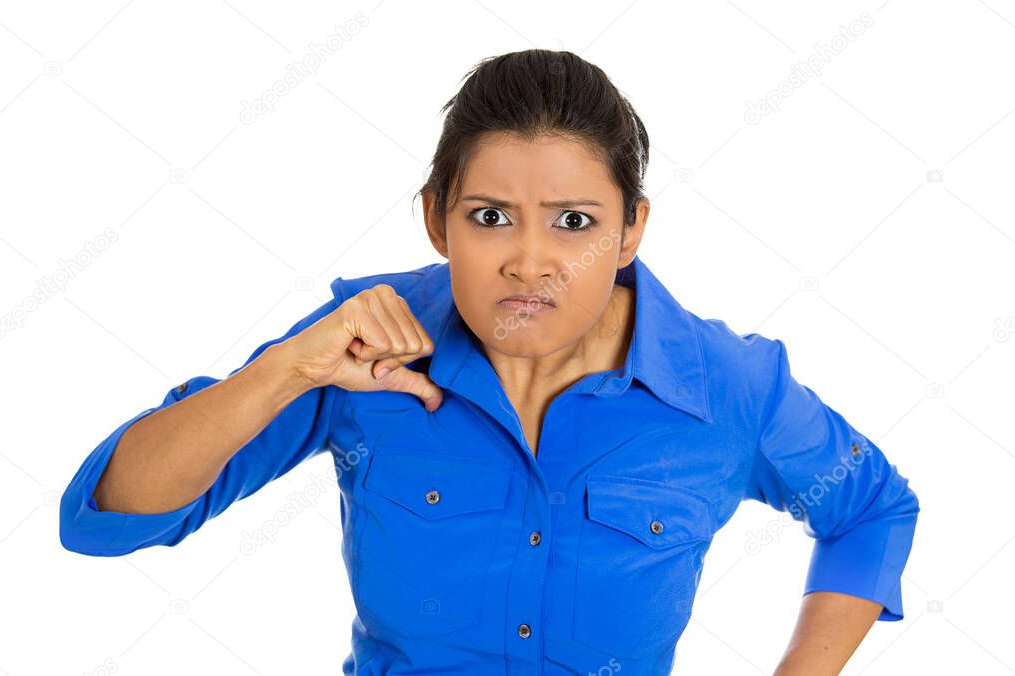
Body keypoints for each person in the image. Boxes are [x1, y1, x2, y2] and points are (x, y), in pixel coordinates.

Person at [59, 49, 920, 674]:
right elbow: (106, 516)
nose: (529, 260)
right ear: (437, 221)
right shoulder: (361, 345)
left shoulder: (729, 387)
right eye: (490, 216)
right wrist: (284, 370)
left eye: (574, 222)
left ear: (632, 230)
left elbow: (871, 506)